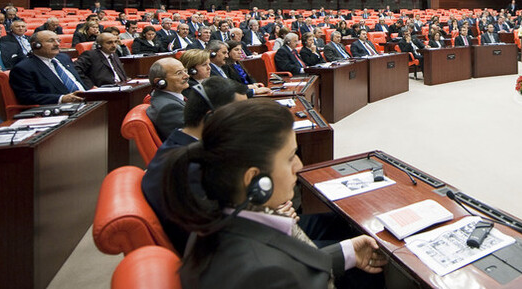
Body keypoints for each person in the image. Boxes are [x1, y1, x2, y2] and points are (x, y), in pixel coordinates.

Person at [158, 100, 387, 287]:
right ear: (254, 179)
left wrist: (346, 253)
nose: (298, 166)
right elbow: (281, 268)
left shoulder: (214, 217)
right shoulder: (267, 274)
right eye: (290, 157)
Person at [142, 76, 249, 253]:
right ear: (210, 118)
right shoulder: (188, 170)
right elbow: (215, 238)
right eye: (238, 116)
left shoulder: (179, 145)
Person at [9, 30, 89, 105]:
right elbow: (27, 97)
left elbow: (78, 81)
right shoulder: (24, 68)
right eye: (51, 41)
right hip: (63, 107)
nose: (57, 44)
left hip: (88, 100)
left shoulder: (64, 58)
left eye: (58, 40)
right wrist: (62, 98)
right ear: (36, 45)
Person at [145, 57, 191, 141]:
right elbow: (189, 138)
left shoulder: (170, 99)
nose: (187, 76)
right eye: (179, 73)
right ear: (160, 82)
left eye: (185, 71)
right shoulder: (168, 108)